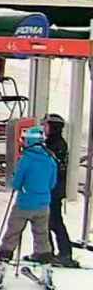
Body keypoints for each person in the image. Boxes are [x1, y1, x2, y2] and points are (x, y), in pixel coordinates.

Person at [0, 126, 58, 282]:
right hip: (43, 205)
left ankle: (1, 271)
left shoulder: (26, 159)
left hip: (24, 204)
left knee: (12, 235)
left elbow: (16, 183)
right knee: (42, 237)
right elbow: (52, 183)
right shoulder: (50, 159)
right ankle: (47, 272)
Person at [42, 114, 80, 268]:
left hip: (53, 190)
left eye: (46, 125)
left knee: (54, 222)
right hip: (50, 189)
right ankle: (46, 251)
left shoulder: (57, 145)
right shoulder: (51, 143)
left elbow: (53, 169)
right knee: (46, 222)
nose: (44, 129)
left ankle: (64, 253)